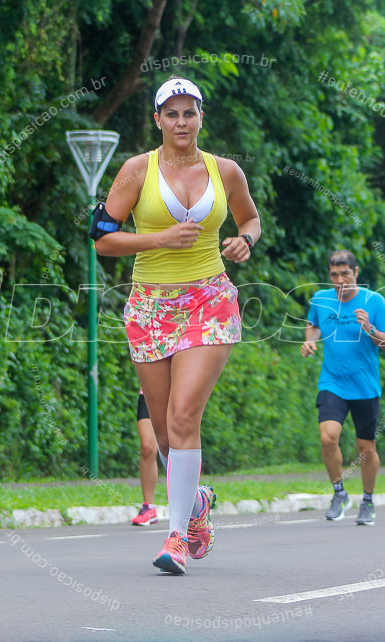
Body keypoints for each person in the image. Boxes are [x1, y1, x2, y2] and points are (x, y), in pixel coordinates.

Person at [95, 77, 261, 574]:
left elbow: (249, 220)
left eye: (190, 113)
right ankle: (196, 503)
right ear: (158, 120)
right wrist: (160, 239)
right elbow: (102, 239)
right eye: (172, 114)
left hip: (209, 300)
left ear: (201, 118)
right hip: (149, 306)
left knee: (185, 416)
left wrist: (245, 242)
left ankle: (175, 538)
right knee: (166, 433)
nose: (182, 122)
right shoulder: (136, 170)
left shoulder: (225, 171)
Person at [301, 250, 385, 526]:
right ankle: (339, 493)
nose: (340, 280)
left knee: (366, 448)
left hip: (365, 386)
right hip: (332, 382)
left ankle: (367, 500)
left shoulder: (374, 301)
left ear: (356, 273)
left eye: (345, 274)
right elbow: (312, 324)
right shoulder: (321, 299)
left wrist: (368, 327)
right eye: (334, 275)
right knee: (328, 437)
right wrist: (310, 341)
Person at [131, 389, 161, 526]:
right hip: (150, 389)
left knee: (178, 446)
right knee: (147, 447)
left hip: (181, 388)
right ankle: (149, 507)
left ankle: (192, 506)